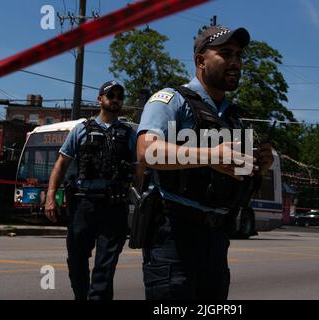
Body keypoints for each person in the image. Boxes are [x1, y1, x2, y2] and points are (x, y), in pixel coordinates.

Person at [137, 25, 273, 300]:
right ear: (200, 60)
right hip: (174, 235)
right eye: (225, 54)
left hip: (217, 239)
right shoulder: (171, 100)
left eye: (238, 55)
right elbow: (146, 151)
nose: (236, 62)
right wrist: (212, 156)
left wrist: (259, 165)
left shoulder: (233, 118)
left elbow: (235, 177)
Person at [44, 81, 137, 300]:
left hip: (114, 205)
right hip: (83, 204)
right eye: (111, 95)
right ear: (100, 99)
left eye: (119, 96)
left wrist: (142, 199)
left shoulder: (128, 133)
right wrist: (51, 196)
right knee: (76, 260)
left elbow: (139, 167)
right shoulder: (81, 129)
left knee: (105, 266)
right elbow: (61, 163)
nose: (115, 99)